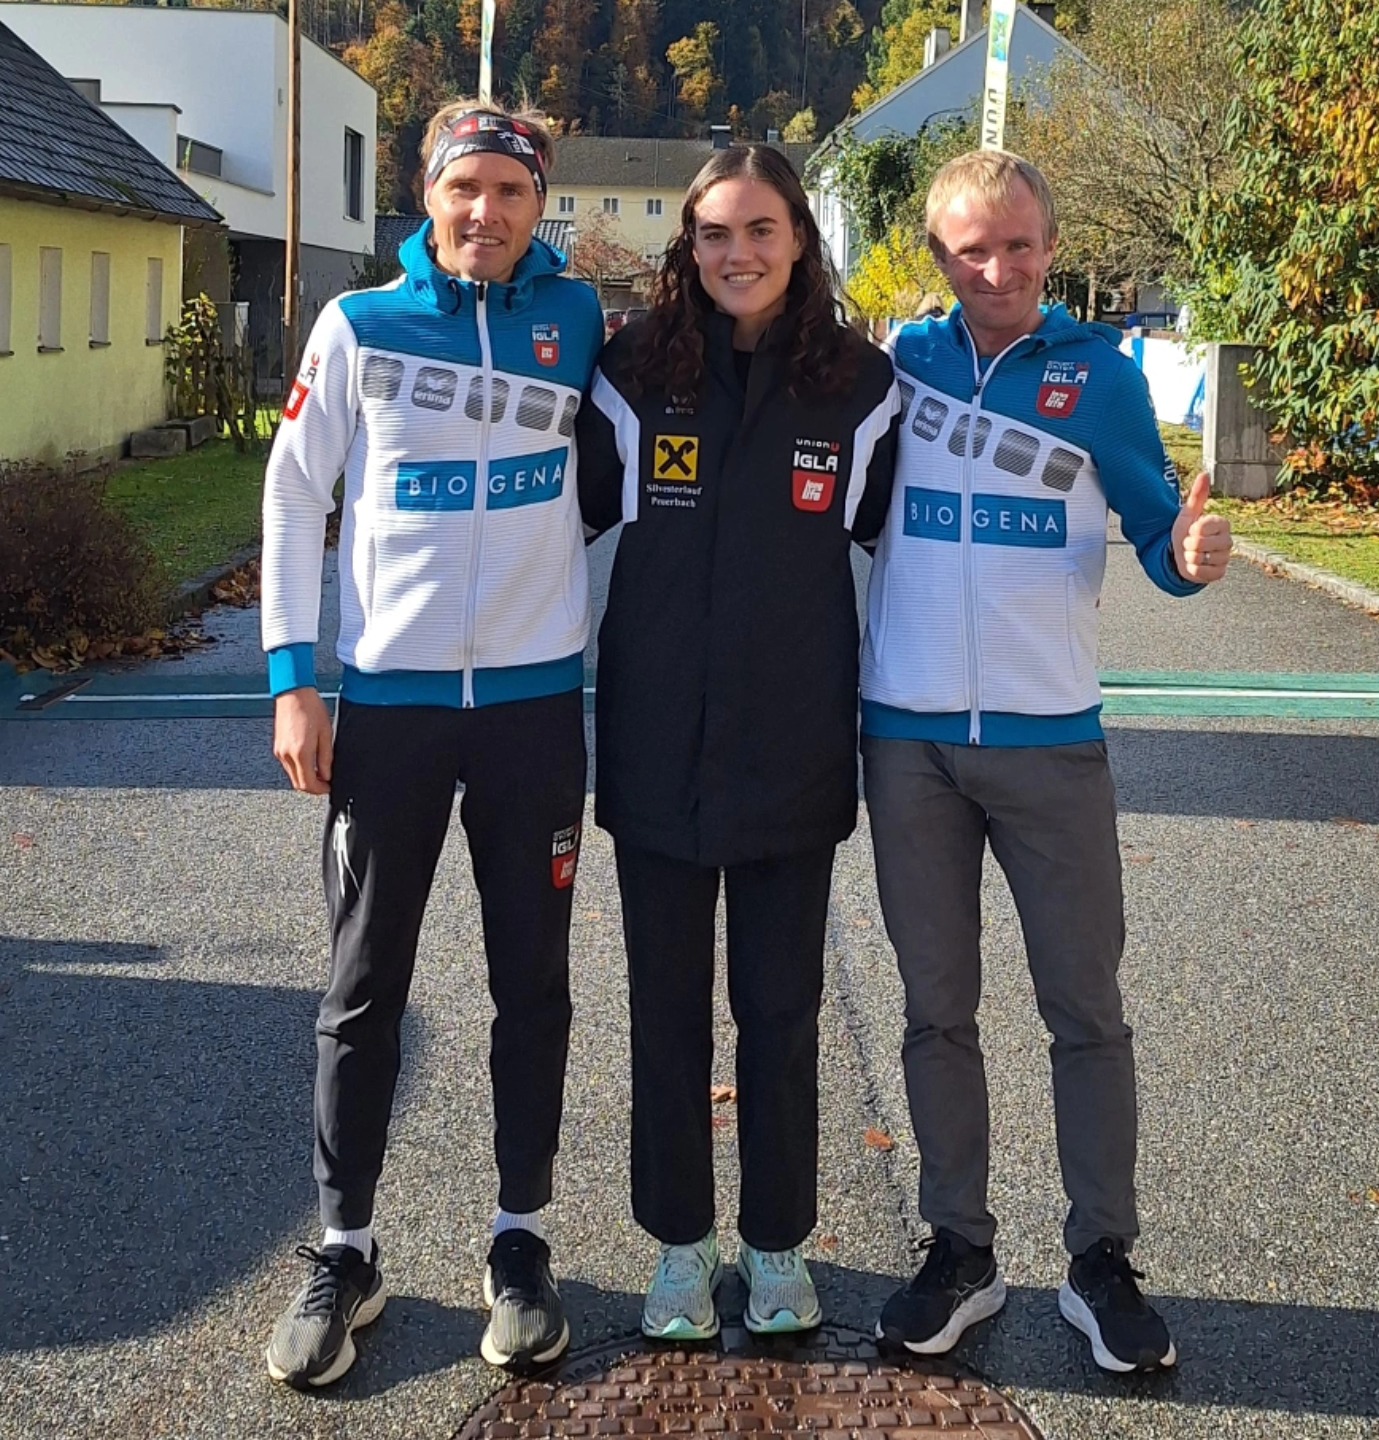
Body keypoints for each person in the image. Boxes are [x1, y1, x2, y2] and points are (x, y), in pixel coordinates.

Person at [862, 150, 1233, 1374]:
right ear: (939, 257)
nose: (998, 269)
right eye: (972, 249)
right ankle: (959, 1251)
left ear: (1051, 248)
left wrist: (1192, 557)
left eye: (1018, 245)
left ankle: (1101, 1261)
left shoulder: (1103, 376)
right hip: (908, 739)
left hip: (1051, 740)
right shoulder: (901, 365)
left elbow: (1160, 538)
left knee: (1086, 1010)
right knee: (935, 1010)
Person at [259, 98, 603, 1387]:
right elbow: (293, 494)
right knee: (363, 986)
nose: (486, 212)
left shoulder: (579, 324)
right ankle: (345, 1247)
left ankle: (520, 1239)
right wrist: (294, 681)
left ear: (538, 205)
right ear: (429, 195)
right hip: (391, 711)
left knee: (535, 985)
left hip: (531, 712)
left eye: (511, 192)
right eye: (466, 188)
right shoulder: (358, 325)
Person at [576, 144, 899, 1341]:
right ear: (689, 246)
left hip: (793, 747)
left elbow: (890, 546)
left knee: (780, 1011)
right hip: (658, 742)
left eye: (761, 229)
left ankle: (775, 1246)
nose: (738, 253)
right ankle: (679, 1246)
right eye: (715, 233)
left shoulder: (861, 387)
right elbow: (567, 522)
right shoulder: (629, 372)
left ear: (800, 239)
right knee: (666, 1012)